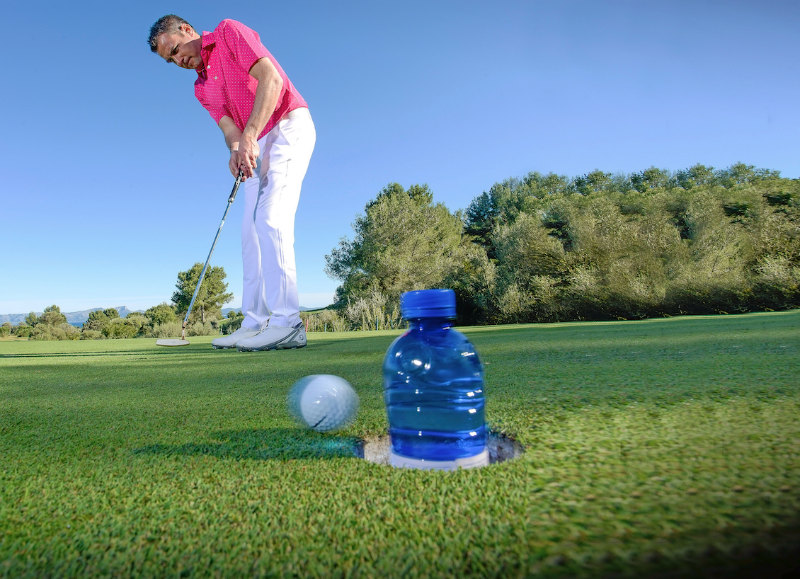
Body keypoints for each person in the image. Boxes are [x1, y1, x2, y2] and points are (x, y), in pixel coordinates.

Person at [148, 15, 315, 352]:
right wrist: (237, 150)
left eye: (177, 50)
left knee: (270, 219)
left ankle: (288, 323)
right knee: (249, 234)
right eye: (171, 60)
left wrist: (250, 136)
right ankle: (255, 322)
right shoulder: (200, 86)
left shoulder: (228, 32)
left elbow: (272, 80)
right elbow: (229, 130)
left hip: (287, 126)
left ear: (186, 30)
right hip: (256, 141)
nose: (179, 61)